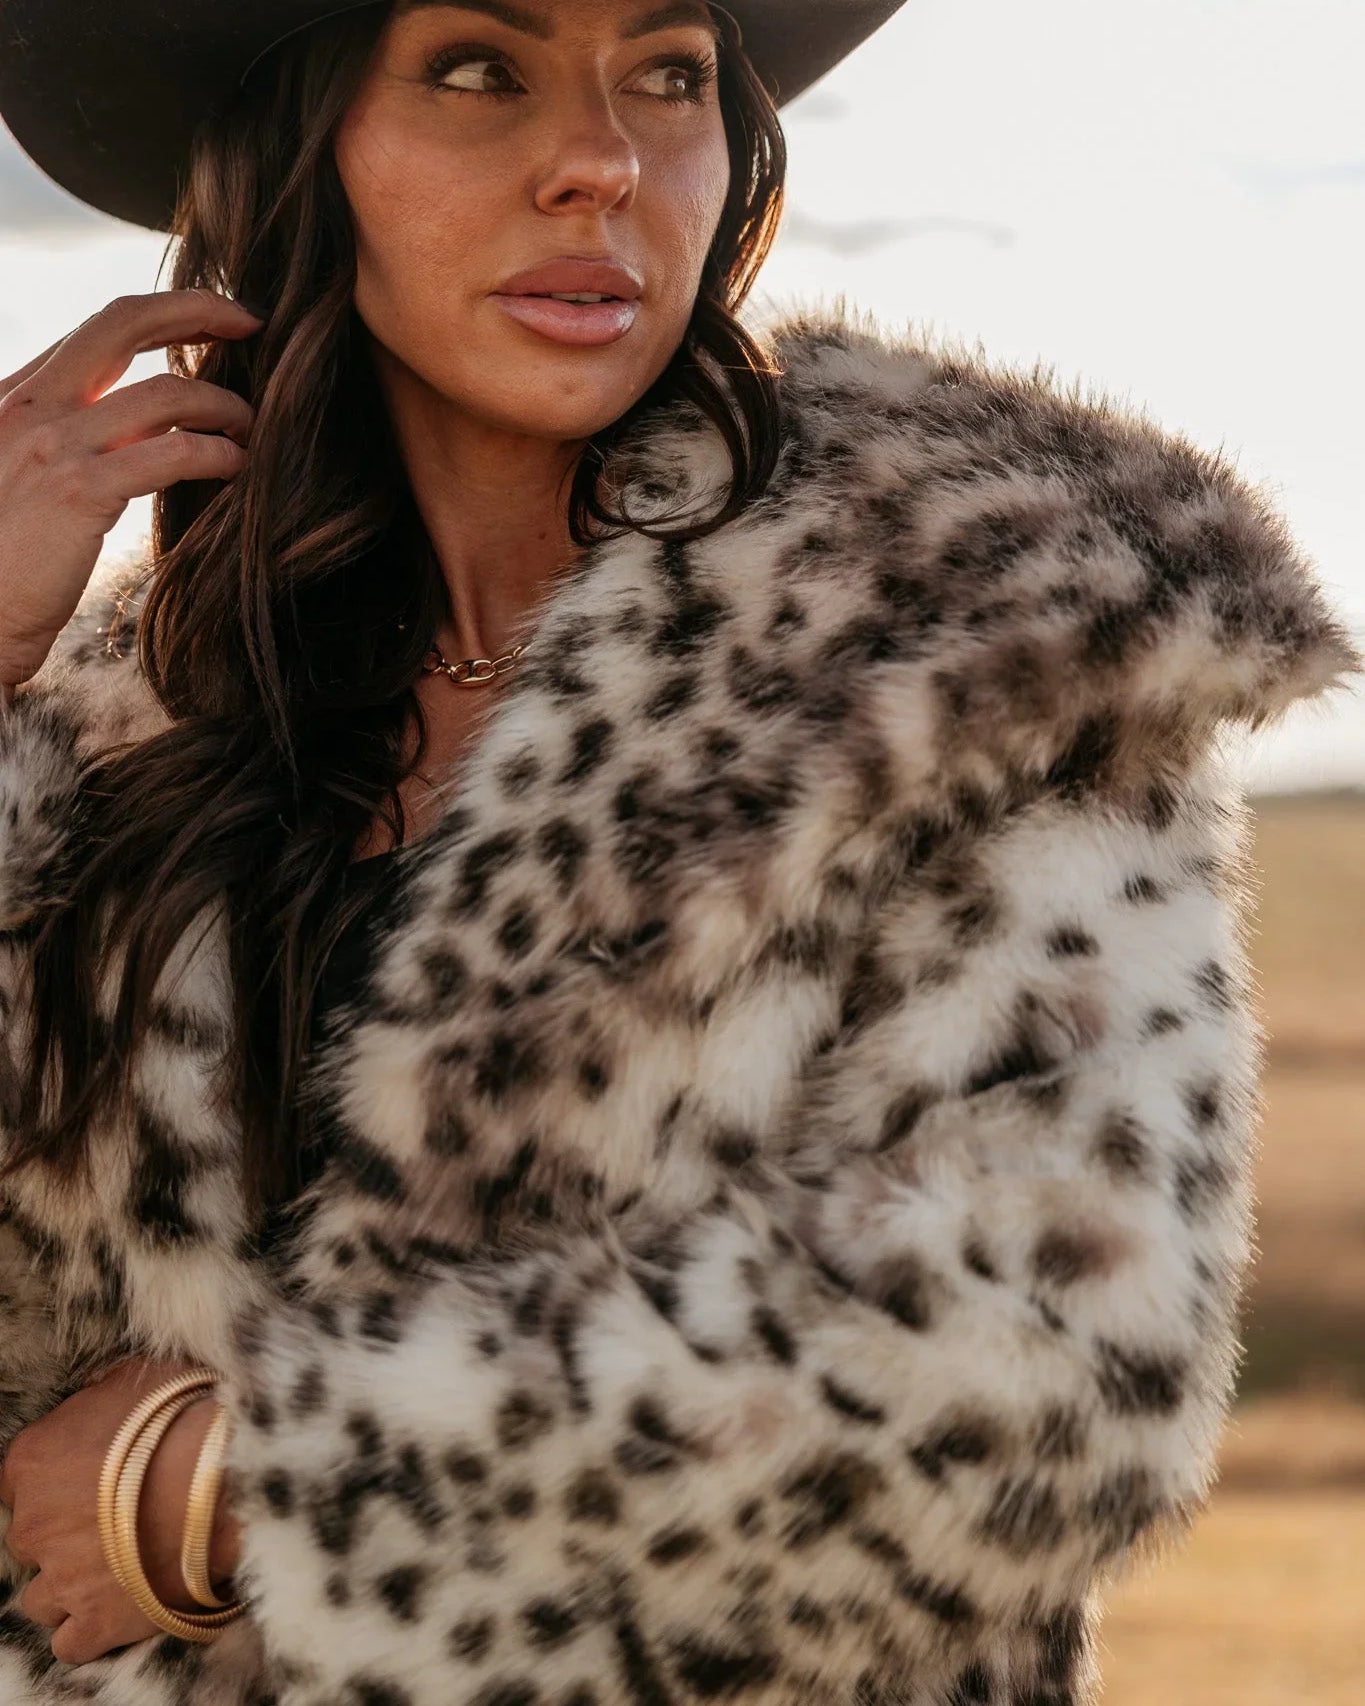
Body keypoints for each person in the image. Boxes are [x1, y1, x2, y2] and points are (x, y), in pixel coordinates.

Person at [0, 2, 1356, 1703]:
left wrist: (254, 1470)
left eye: (668, 75)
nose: (602, 162)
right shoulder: (140, 712)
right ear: (297, 154)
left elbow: (1045, 1367)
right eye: (480, 70)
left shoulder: (958, 646)